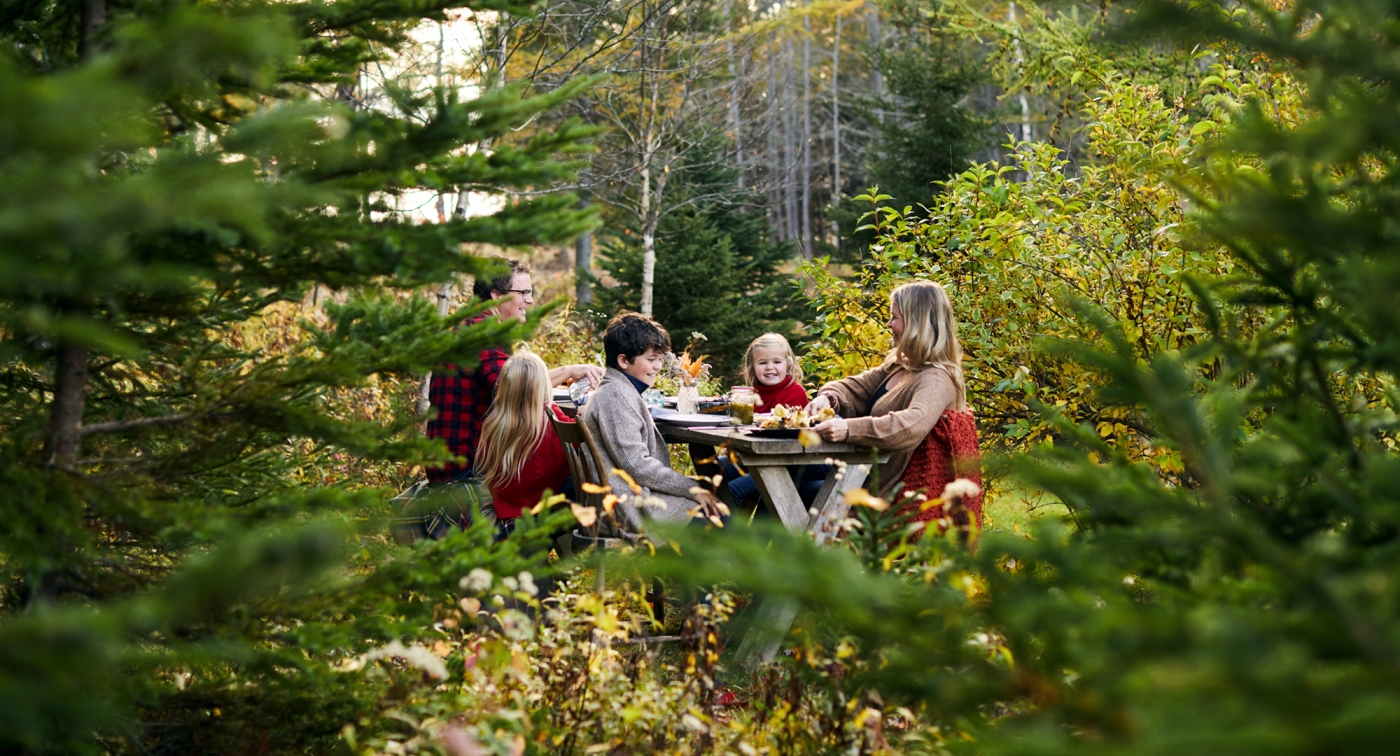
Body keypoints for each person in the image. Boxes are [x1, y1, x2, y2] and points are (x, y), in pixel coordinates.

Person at [807, 281, 982, 530]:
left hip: (886, 490)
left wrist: (848, 429)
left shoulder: (936, 379)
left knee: (787, 487)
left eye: (894, 318)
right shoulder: (902, 365)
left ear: (916, 323)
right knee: (764, 482)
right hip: (859, 471)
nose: (889, 325)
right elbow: (856, 386)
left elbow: (909, 426)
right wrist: (828, 398)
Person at [425, 258, 603, 484]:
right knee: (578, 482)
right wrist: (568, 371)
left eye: (530, 292)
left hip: (452, 463)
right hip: (467, 470)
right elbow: (516, 388)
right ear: (497, 296)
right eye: (523, 292)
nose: (530, 300)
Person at [580, 312, 726, 532]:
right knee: (719, 519)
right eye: (651, 360)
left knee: (723, 497)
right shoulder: (615, 396)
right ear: (623, 361)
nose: (658, 366)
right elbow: (637, 465)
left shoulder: (619, 389)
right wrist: (692, 488)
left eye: (659, 359)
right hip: (629, 507)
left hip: (629, 495)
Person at [474, 351, 573, 541]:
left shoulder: (493, 423)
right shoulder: (550, 419)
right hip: (536, 514)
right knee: (580, 488)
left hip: (505, 511)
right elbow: (574, 444)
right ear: (542, 385)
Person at [720, 333, 824, 509]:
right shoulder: (750, 395)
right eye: (762, 363)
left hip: (782, 464)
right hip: (752, 458)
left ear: (788, 364)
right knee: (713, 470)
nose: (770, 367)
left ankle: (728, 536)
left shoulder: (795, 394)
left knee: (732, 490)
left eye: (776, 362)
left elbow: (790, 439)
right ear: (753, 368)